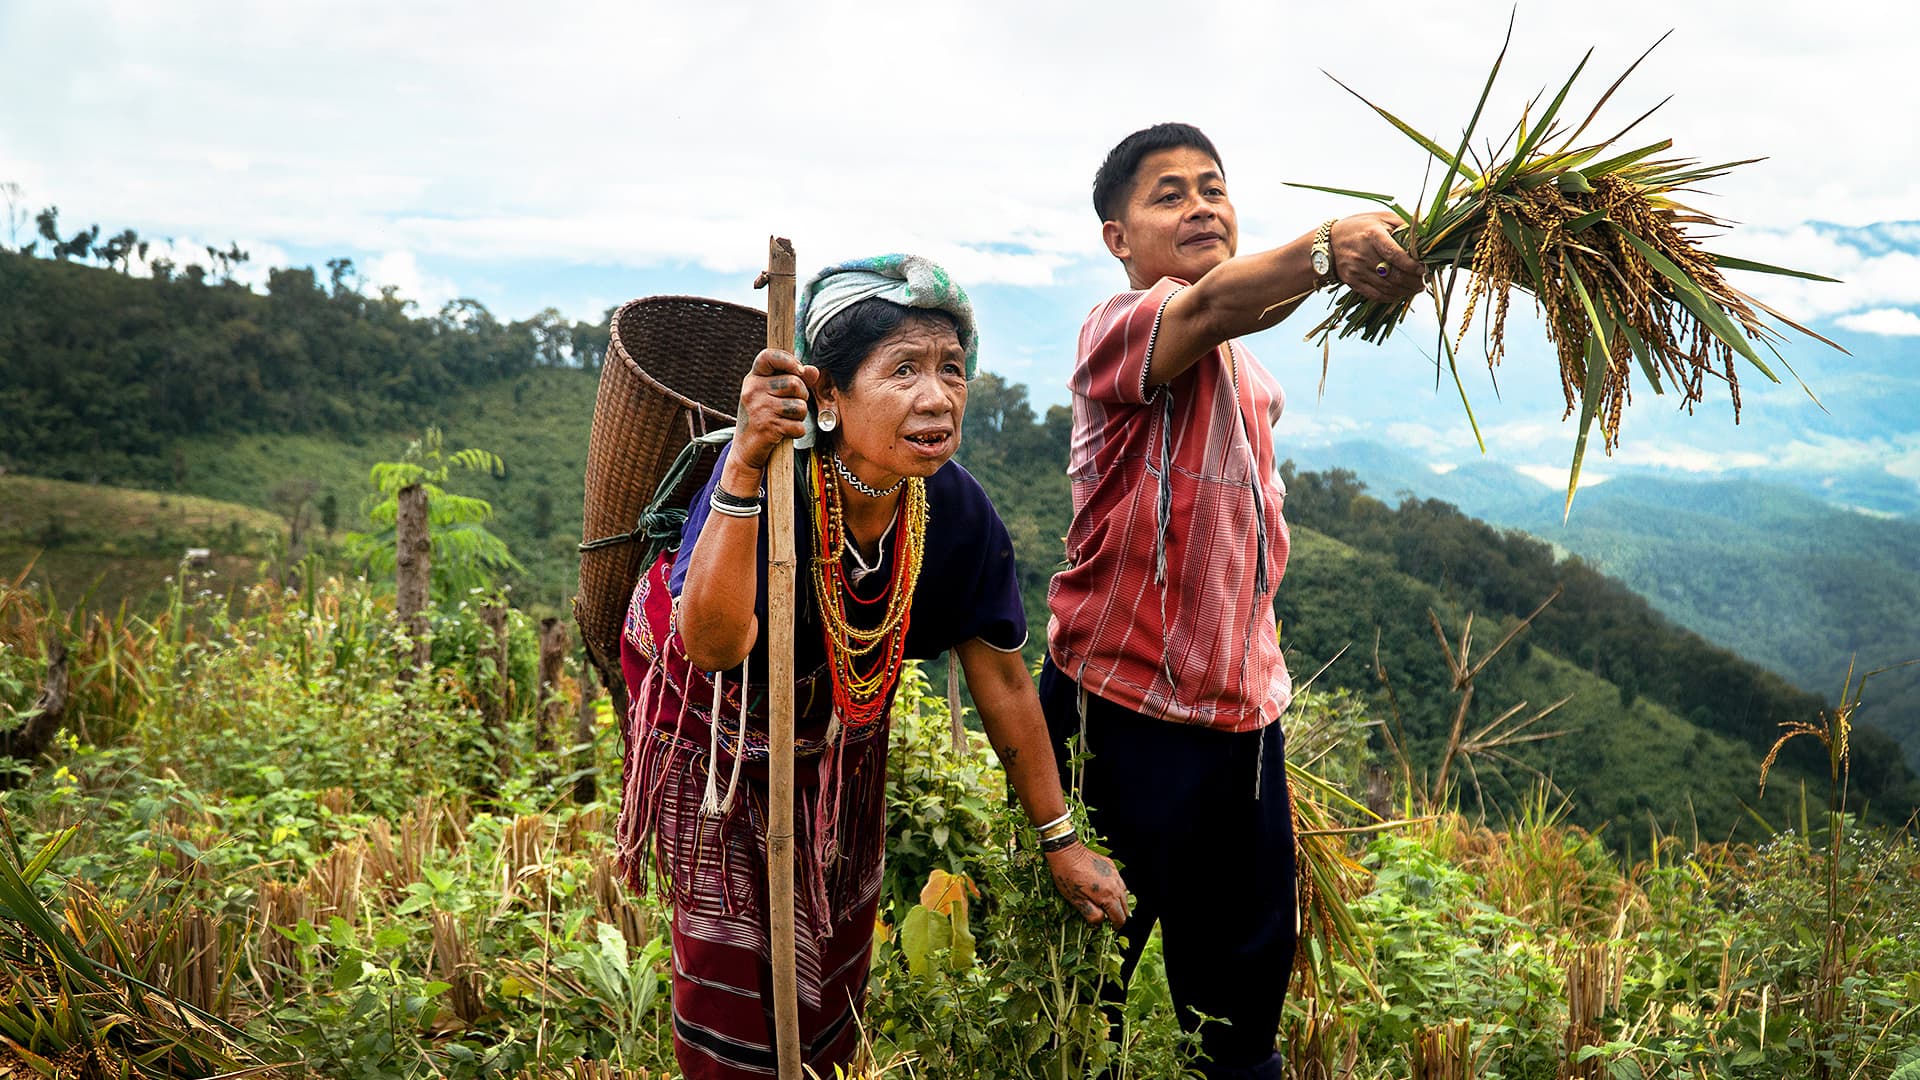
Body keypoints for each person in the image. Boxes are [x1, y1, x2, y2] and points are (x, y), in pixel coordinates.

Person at [616, 254, 1130, 1080]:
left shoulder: (955, 513)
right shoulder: (772, 481)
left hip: (839, 732)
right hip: (711, 719)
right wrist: (745, 465)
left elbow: (1001, 679)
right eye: (903, 371)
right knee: (735, 961)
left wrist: (1059, 838)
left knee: (833, 931)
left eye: (951, 370)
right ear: (828, 397)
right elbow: (711, 648)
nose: (937, 397)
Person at [1040, 124, 1424, 1080]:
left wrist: (1348, 268)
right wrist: (1331, 248)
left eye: (1213, 187)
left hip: (1244, 739)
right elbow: (1213, 304)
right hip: (1117, 723)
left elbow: (1241, 314)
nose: (1201, 205)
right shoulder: (1116, 330)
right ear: (1116, 238)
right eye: (1167, 195)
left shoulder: (1253, 381)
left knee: (1239, 1014)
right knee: (1083, 1003)